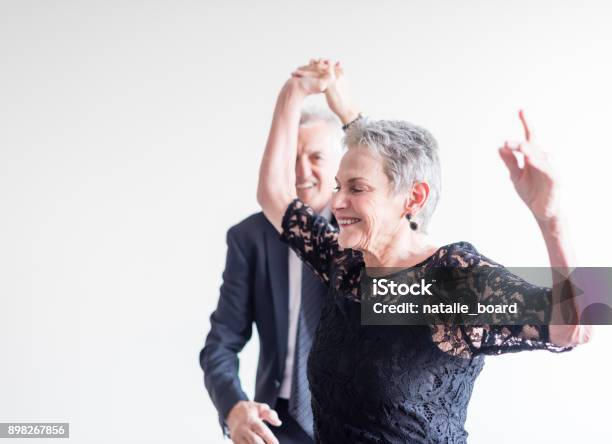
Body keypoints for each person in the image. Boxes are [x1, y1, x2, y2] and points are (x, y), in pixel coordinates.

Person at [256, 59, 593, 443]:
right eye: (338, 187)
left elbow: (578, 325)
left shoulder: (448, 283)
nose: (338, 202)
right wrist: (294, 91)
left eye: (356, 189)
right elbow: (275, 195)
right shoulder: (347, 267)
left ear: (413, 198)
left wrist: (552, 219)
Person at [200, 103, 343, 443]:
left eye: (316, 157)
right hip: (278, 422)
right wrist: (234, 408)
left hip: (352, 419)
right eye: (292, 158)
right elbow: (220, 344)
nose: (301, 171)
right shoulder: (249, 237)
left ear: (341, 164)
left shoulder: (361, 233)